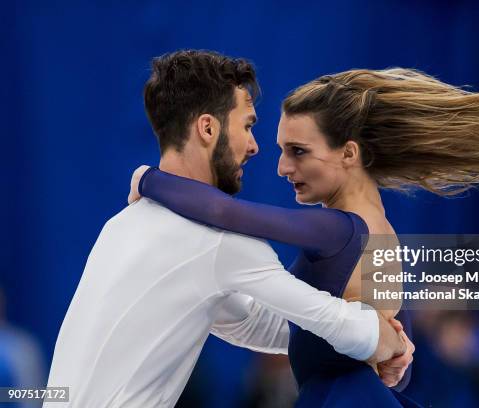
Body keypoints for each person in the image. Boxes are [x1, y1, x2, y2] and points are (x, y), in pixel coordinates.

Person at [128, 66, 479, 406]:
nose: (281, 168)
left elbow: (226, 212)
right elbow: (396, 338)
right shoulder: (380, 230)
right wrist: (395, 351)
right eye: (280, 150)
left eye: (297, 151)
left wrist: (149, 180)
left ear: (349, 153)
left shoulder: (339, 229)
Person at [44, 51, 411, 408]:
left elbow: (251, 324)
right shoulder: (217, 241)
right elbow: (336, 323)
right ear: (207, 128)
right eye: (248, 125)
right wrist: (388, 342)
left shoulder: (120, 225)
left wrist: (147, 178)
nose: (254, 147)